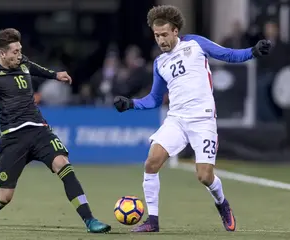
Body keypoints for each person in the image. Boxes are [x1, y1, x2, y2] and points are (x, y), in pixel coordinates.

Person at [114, 5, 271, 232]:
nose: (161, 40)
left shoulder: (195, 44)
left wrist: (253, 52)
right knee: (151, 162)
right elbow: (154, 99)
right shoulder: (160, 64)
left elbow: (227, 54)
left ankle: (222, 203)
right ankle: (153, 221)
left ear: (175, 31)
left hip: (203, 119)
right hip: (176, 119)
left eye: (164, 34)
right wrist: (130, 104)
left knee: (205, 176)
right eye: (157, 36)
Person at [0, 28, 111, 233]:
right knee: (5, 197)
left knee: (63, 164)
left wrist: (55, 75)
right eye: (15, 52)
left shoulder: (22, 61)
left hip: (39, 130)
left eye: (20, 50)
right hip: (12, 138)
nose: (19, 55)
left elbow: (33, 67)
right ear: (2, 53)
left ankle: (90, 220)